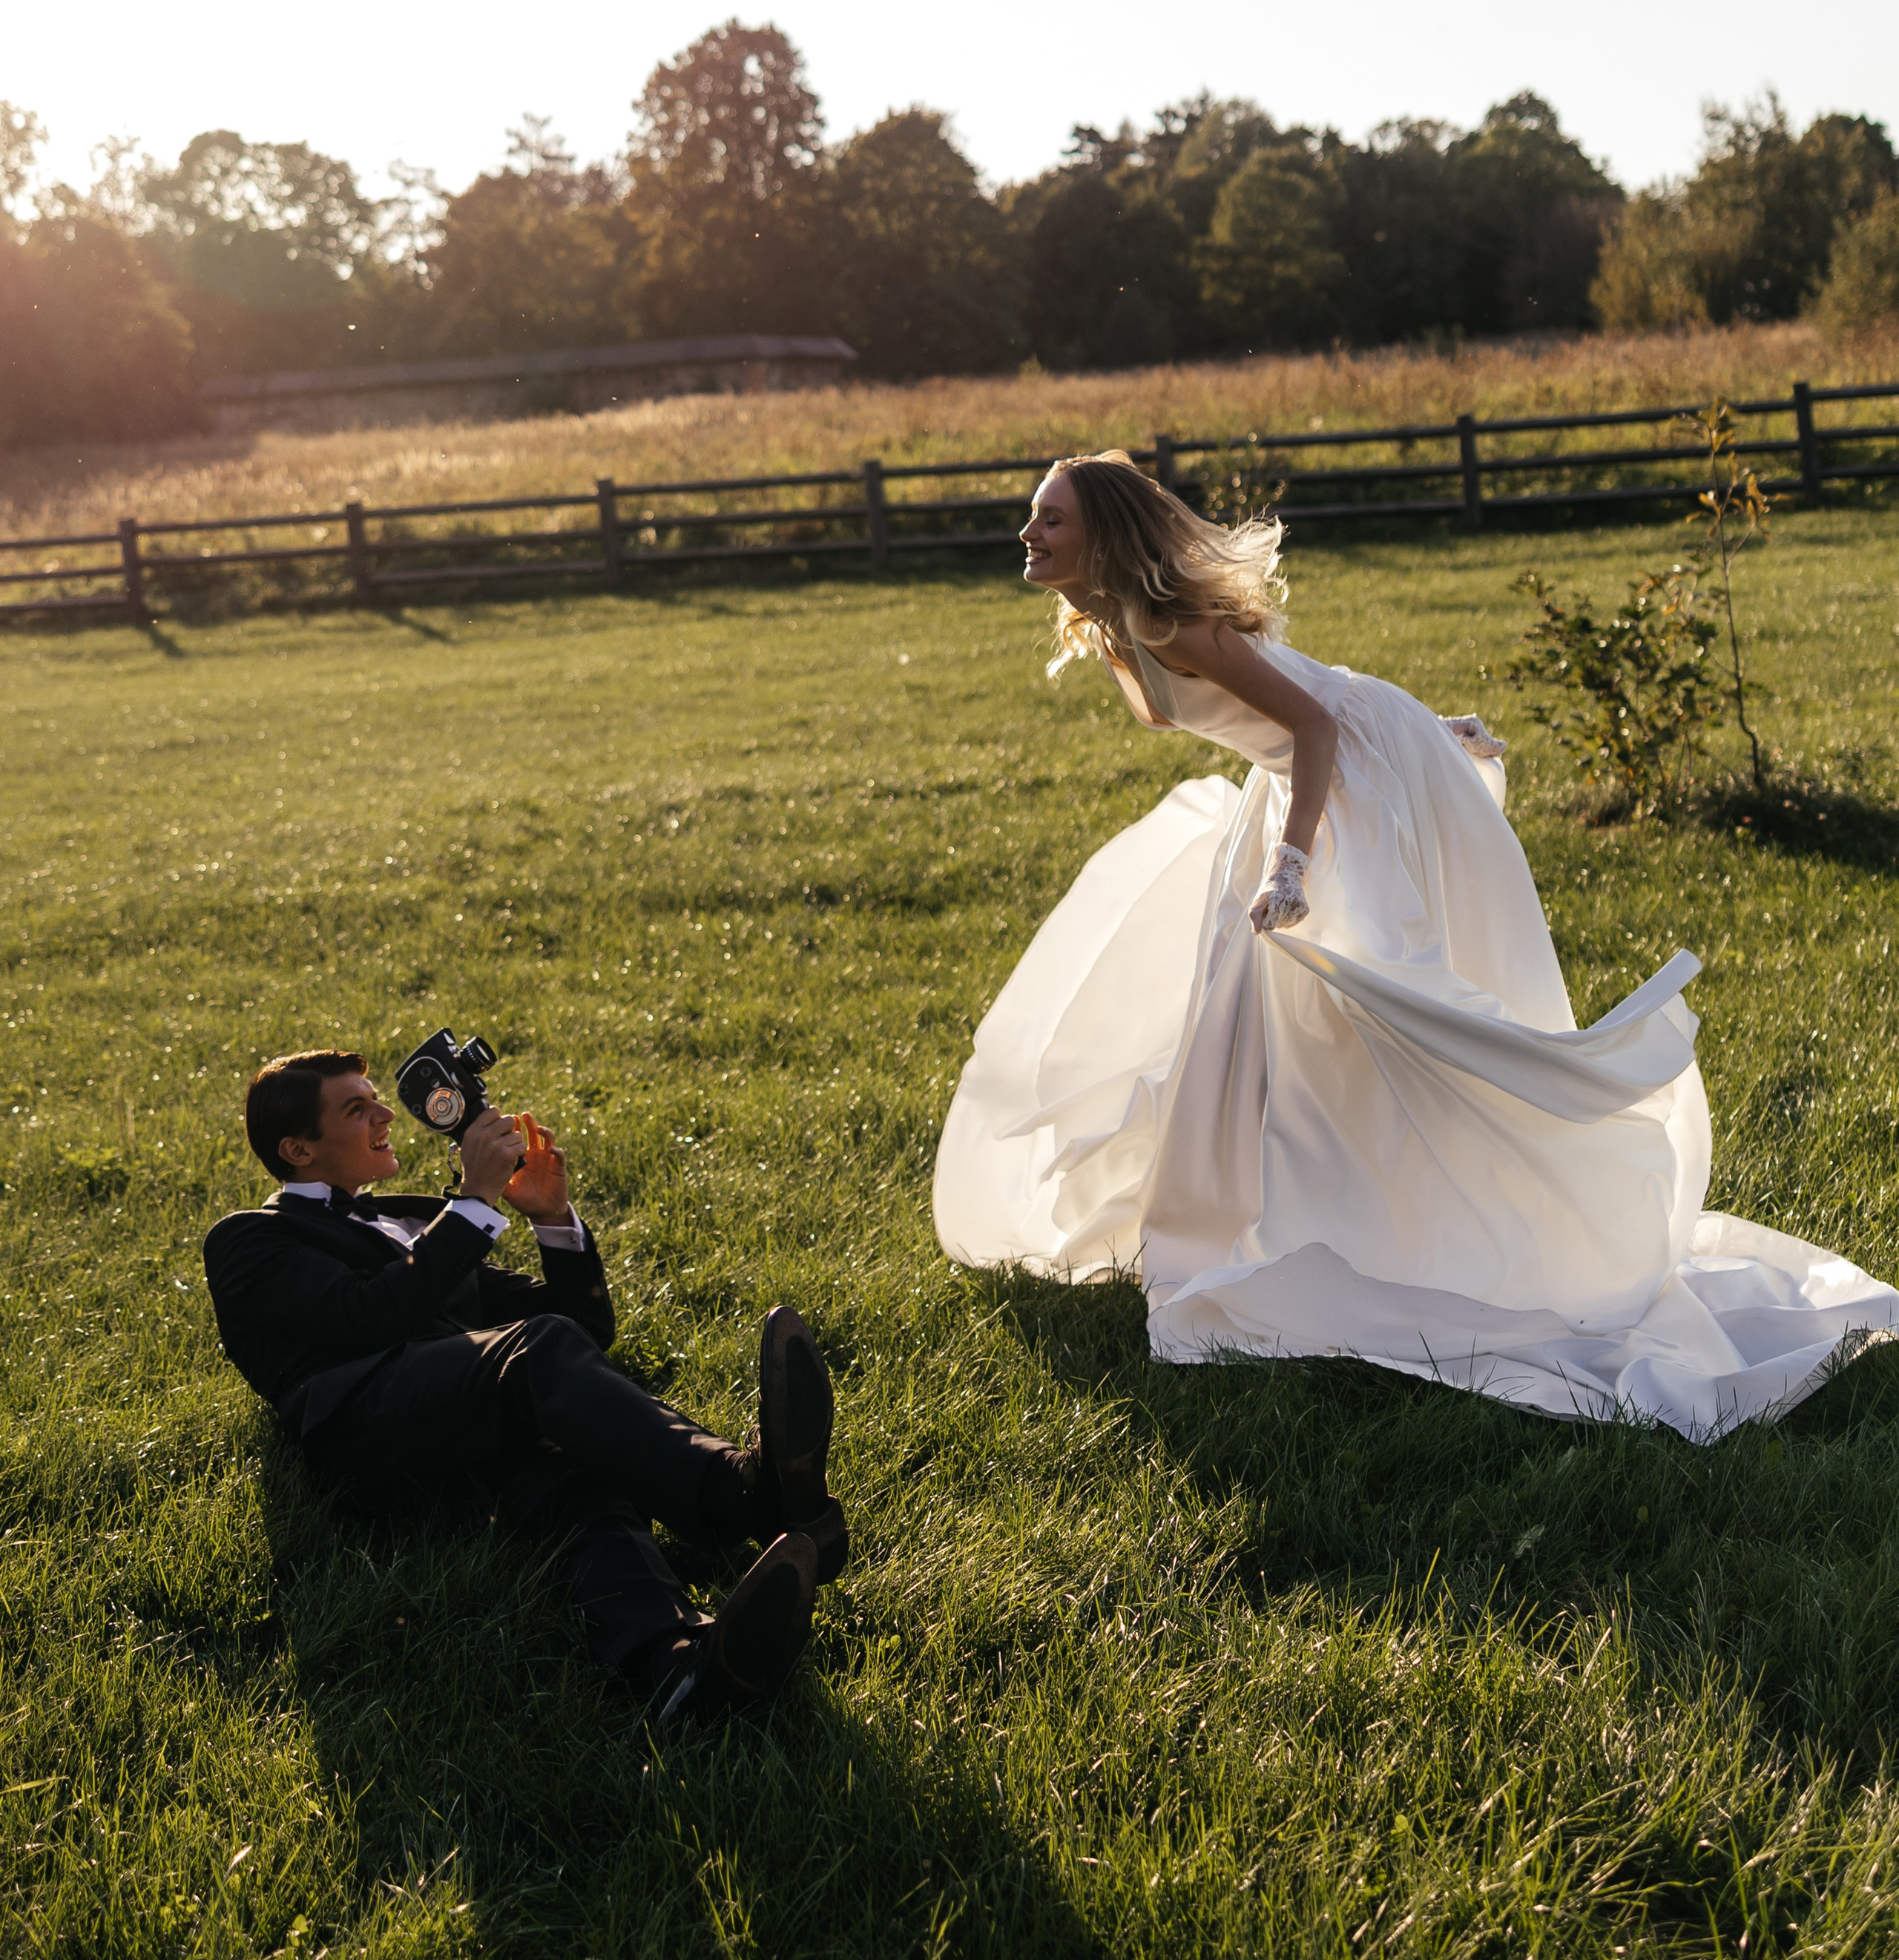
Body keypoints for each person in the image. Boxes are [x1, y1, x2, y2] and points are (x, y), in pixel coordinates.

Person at [934, 451, 1898, 1437]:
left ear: (1102, 536)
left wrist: (1299, 859)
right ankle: (1298, 1209)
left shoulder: (1170, 624)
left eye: (1050, 520)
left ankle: (1453, 1207)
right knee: (1261, 1010)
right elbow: (1299, 697)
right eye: (1033, 518)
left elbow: (1312, 721)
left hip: (1344, 781)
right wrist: (1418, 736)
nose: (1029, 534)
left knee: (1377, 999)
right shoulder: (1115, 631)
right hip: (1327, 767)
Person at [205, 1050, 848, 1727]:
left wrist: (551, 1218)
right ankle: (748, 1495)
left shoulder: (413, 1222)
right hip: (363, 1433)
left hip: (464, 1423)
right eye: (356, 1108)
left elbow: (581, 1329)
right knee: (535, 1353)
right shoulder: (250, 1239)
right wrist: (473, 1203)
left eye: (377, 1099)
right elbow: (370, 1316)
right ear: (297, 1148)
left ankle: (683, 1673)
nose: (385, 1114)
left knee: (568, 1472)